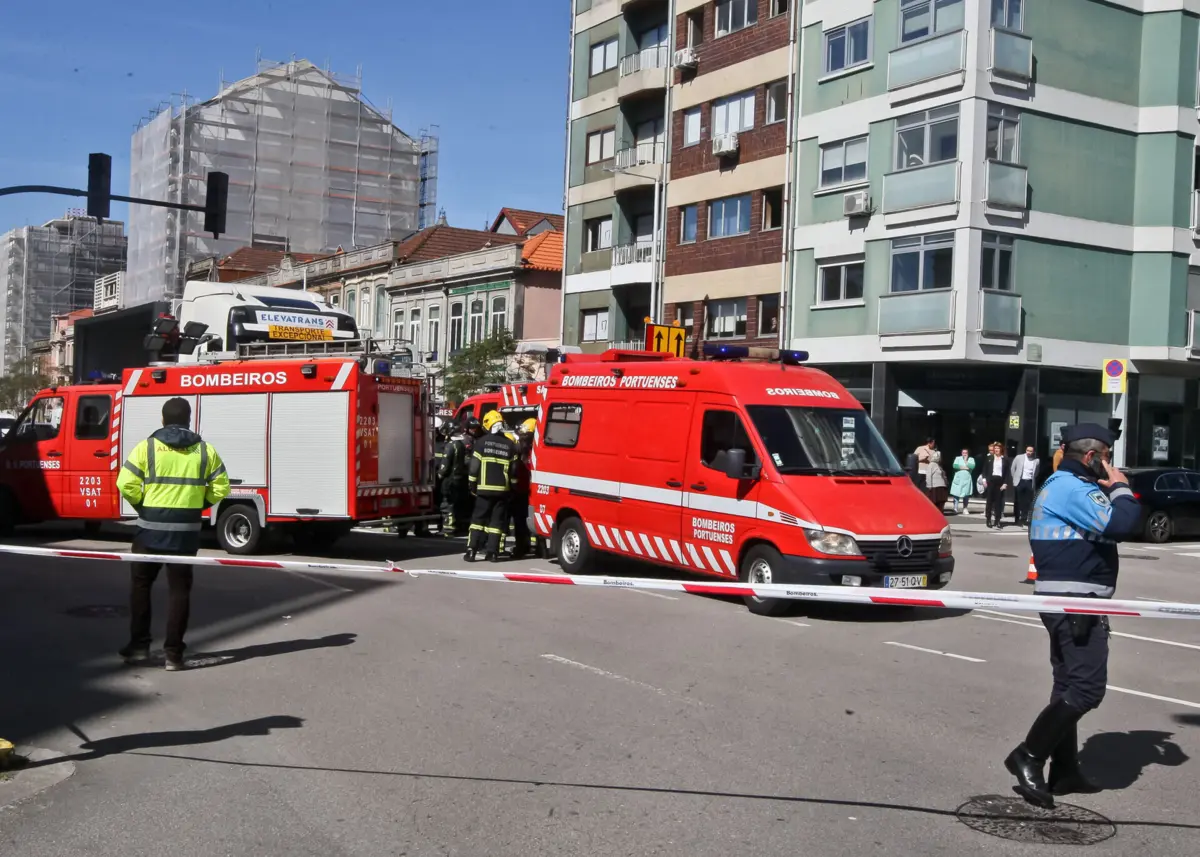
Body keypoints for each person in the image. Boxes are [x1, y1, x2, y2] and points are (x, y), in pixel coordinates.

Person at [1004, 423, 1141, 808]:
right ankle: (1028, 755)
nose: (1110, 465)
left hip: (1072, 599)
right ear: (1093, 456)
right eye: (1107, 458)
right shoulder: (1071, 487)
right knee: (1086, 688)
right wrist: (1121, 488)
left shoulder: (1066, 484)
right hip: (1076, 601)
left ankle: (1063, 771)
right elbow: (1123, 523)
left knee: (1067, 684)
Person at [115, 397, 231, 671]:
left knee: (141, 586)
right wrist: (199, 504)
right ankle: (174, 655)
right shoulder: (205, 450)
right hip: (186, 532)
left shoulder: (147, 447)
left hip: (149, 531)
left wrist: (143, 506)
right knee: (179, 591)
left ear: (163, 420)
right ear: (189, 420)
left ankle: (139, 647)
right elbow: (221, 487)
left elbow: (125, 483)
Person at [465, 410, 520, 563]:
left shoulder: (481, 442)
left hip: (483, 489)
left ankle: (471, 552)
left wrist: (471, 484)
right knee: (497, 523)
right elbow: (514, 471)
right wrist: (513, 487)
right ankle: (493, 553)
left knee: (478, 521)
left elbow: (474, 467)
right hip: (502, 491)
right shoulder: (510, 445)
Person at [439, 417, 479, 536]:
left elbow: (445, 465)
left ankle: (448, 529)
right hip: (460, 478)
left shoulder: (451, 445)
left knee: (447, 504)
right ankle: (458, 526)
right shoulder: (461, 444)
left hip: (450, 480)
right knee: (458, 504)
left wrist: (440, 475)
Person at [507, 417, 537, 560]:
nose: (522, 438)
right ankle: (536, 548)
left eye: (525, 435)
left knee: (521, 521)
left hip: (522, 490)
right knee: (526, 520)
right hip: (530, 491)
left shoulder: (526, 451)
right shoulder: (532, 451)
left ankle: (522, 548)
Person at [1011, 444, 1041, 527]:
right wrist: (1015, 479)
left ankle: (1024, 519)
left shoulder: (1036, 461)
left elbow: (1036, 472)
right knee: (1018, 501)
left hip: (1029, 482)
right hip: (1020, 481)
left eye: (1031, 451)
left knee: (1027, 502)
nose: (1029, 452)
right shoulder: (1019, 457)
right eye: (1027, 450)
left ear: (1033, 452)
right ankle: (1017, 519)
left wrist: (1032, 479)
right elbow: (1013, 469)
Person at [983, 441, 1010, 528]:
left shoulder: (1004, 459)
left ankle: (997, 520)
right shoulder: (989, 458)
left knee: (998, 502)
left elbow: (1007, 473)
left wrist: (1005, 483)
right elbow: (985, 470)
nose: (996, 450)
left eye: (998, 448)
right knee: (989, 501)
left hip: (1000, 482)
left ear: (1001, 449)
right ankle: (988, 519)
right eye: (995, 448)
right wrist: (984, 480)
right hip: (991, 481)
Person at [950, 448, 975, 515]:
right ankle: (955, 508)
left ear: (968, 453)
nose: (964, 454)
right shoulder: (957, 458)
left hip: (967, 479)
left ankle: (965, 508)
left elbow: (972, 466)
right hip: (958, 479)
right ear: (961, 453)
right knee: (956, 494)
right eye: (963, 453)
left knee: (966, 494)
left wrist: (965, 461)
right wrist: (966, 467)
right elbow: (955, 466)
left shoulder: (971, 459)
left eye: (966, 453)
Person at [926, 447, 949, 512]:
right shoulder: (931, 465)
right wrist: (929, 485)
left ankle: (940, 512)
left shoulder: (939, 465)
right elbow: (928, 475)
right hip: (935, 487)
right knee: (934, 501)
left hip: (941, 486)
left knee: (941, 501)